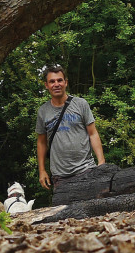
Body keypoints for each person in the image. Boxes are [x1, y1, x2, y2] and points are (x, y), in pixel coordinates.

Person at [35, 63, 109, 204]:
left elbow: (93, 133)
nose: (56, 84)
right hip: (60, 176)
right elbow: (41, 142)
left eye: (59, 80)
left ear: (65, 82)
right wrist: (42, 170)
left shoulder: (81, 104)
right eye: (52, 81)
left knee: (93, 209)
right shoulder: (43, 111)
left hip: (86, 169)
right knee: (64, 217)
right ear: (46, 85)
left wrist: (101, 162)